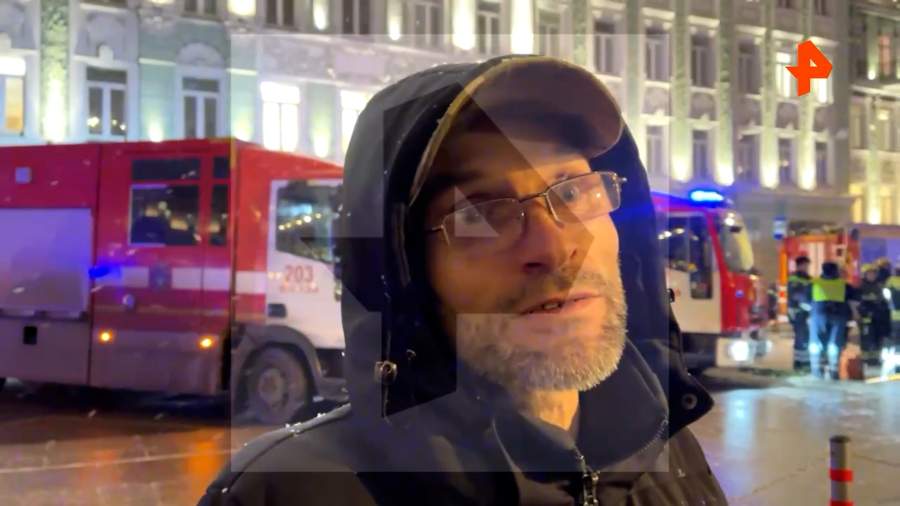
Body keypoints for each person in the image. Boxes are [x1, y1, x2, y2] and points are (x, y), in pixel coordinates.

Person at [199, 55, 727, 505]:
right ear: (404, 271)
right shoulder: (289, 492)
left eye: (572, 191)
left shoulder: (665, 453)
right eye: (478, 214)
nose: (555, 247)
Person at [809, 261, 853, 379]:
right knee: (834, 344)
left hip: (818, 316)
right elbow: (853, 299)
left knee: (816, 343)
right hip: (838, 317)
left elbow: (805, 298)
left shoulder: (814, 283)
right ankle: (834, 371)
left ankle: (816, 370)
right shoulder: (843, 284)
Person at [857, 264, 891, 366]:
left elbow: (886, 301)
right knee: (867, 338)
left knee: (878, 338)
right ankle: (866, 359)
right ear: (864, 275)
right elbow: (857, 303)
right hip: (866, 318)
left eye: (873, 273)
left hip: (879, 317)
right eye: (869, 273)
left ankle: (876, 358)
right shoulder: (860, 287)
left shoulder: (880, 286)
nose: (872, 275)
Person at [787, 256, 813, 372]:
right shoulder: (794, 278)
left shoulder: (808, 278)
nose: (807, 267)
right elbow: (796, 295)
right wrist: (807, 305)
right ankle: (799, 363)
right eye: (805, 265)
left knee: (805, 337)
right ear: (800, 265)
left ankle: (805, 361)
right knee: (801, 337)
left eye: (808, 265)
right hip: (798, 312)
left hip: (806, 312)